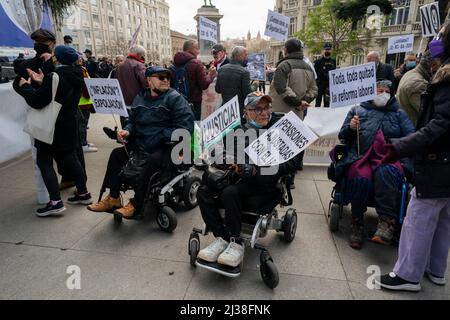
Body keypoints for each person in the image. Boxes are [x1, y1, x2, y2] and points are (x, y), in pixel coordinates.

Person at [377, 23, 450, 292]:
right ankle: (436, 268)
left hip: (438, 160)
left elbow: (439, 124)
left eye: (441, 35)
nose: (436, 39)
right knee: (444, 217)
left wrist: (400, 147)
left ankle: (408, 274)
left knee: (419, 218)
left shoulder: (446, 80)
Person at [196, 92, 300, 267]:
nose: (264, 112)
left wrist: (255, 170)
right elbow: (227, 154)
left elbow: (292, 164)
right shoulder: (236, 130)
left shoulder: (280, 129)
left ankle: (236, 243)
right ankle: (222, 237)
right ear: (246, 112)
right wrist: (219, 159)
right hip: (237, 178)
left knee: (230, 193)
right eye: (257, 109)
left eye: (267, 107)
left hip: (265, 183)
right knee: (204, 190)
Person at [87, 66, 194, 218]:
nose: (165, 80)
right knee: (116, 155)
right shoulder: (140, 98)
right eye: (161, 77)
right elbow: (132, 120)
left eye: (167, 77)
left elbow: (185, 128)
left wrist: (159, 135)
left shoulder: (175, 98)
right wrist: (127, 131)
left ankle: (136, 204)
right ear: (149, 81)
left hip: (167, 146)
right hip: (142, 144)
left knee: (152, 161)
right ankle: (114, 197)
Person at [336, 79, 415, 249]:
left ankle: (386, 223)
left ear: (391, 94)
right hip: (361, 156)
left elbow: (411, 138)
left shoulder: (399, 114)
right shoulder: (357, 110)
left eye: (386, 91)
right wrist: (350, 128)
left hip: (389, 157)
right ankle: (357, 223)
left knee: (386, 172)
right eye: (378, 90)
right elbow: (343, 137)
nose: (382, 94)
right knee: (360, 176)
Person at [18, 45, 92, 216]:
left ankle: (55, 202)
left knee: (44, 161)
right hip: (68, 124)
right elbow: (59, 93)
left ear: (57, 58)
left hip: (51, 125)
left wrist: (25, 87)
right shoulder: (77, 73)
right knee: (71, 158)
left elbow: (37, 101)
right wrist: (44, 81)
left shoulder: (55, 76)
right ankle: (83, 193)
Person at [269, 38, 317, 178]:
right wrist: (303, 101)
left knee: (279, 147)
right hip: (297, 113)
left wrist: (298, 102)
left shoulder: (284, 65)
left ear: (286, 50)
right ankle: (290, 177)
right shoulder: (308, 67)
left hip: (279, 113)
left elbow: (281, 88)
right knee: (292, 146)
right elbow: (314, 89)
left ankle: (279, 176)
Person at [170, 40, 216, 121]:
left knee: (180, 125)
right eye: (197, 48)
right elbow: (204, 84)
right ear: (190, 49)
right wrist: (211, 75)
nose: (198, 51)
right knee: (195, 127)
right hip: (194, 103)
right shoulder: (196, 63)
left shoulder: (173, 64)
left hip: (176, 101)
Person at [396, 52, 440, 126]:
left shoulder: (411, 73)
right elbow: (429, 113)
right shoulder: (418, 83)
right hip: (414, 128)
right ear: (433, 65)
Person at [215, 46, 252, 115]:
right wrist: (255, 85)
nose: (247, 57)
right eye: (246, 55)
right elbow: (248, 93)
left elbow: (218, 89)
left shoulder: (221, 69)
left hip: (225, 108)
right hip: (239, 110)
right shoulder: (244, 72)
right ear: (240, 56)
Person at [314, 43, 336, 108]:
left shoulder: (333, 61)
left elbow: (334, 73)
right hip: (319, 85)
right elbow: (314, 74)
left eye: (329, 49)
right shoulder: (318, 61)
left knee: (327, 103)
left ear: (331, 50)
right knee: (318, 103)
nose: (327, 51)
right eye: (326, 49)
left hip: (328, 86)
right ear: (323, 50)